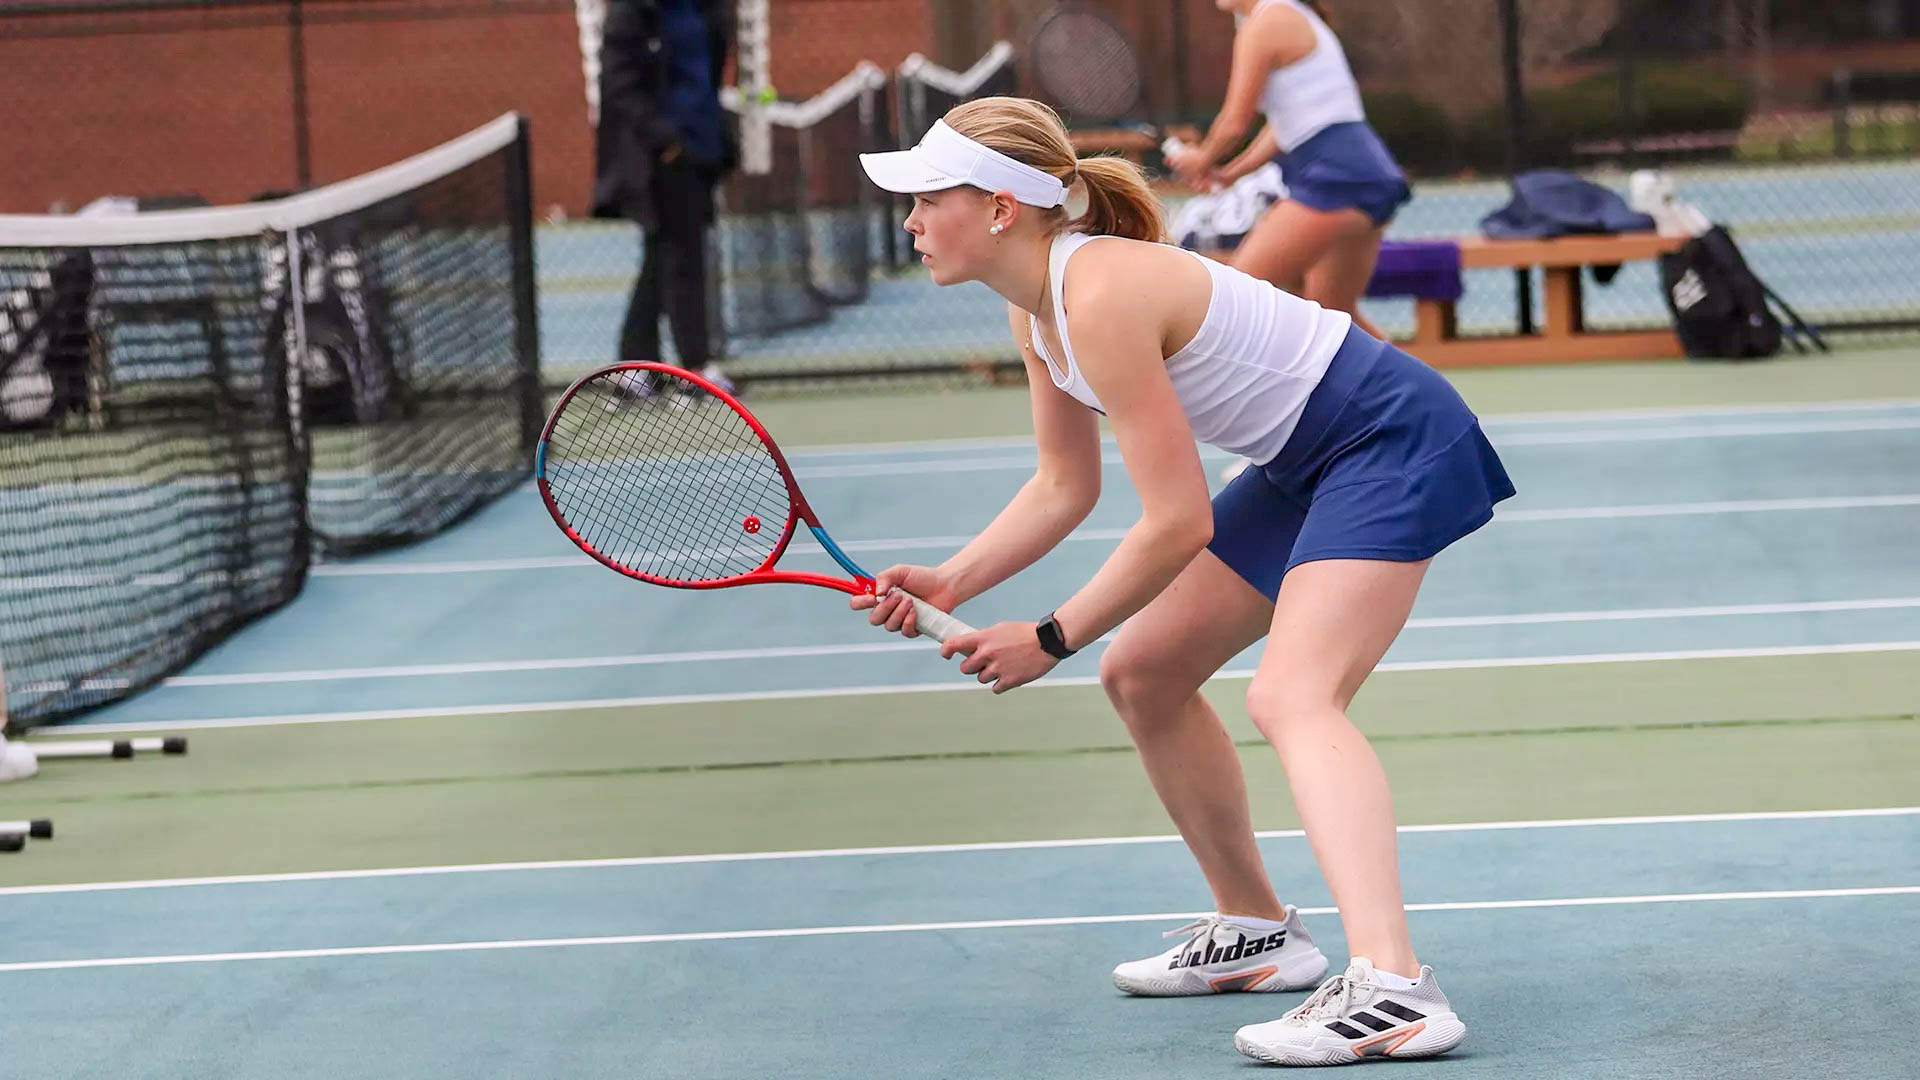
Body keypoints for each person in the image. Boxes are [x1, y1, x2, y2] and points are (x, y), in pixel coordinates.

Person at [853, 97, 1511, 1066]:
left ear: (999, 208)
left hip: (1387, 436)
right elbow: (1062, 486)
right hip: (1305, 460)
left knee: (1294, 694)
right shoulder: (1036, 305)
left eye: (926, 198)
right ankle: (1257, 928)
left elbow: (1178, 521)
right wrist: (951, 578)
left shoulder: (1100, 293)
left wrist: (1045, 637)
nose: (909, 222)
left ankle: (1395, 986)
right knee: (1145, 672)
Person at [1166, 0, 1408, 344]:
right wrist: (1229, 173)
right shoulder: (1288, 15)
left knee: (1234, 297)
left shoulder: (1266, 22)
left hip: (1338, 178)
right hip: (1366, 174)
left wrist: (1201, 158)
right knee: (1335, 316)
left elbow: (1234, 123)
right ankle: (1425, 396)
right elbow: (1283, 128)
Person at [590, 0, 738, 395]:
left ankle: (635, 366)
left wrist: (716, 140)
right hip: (660, 161)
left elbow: (710, 73)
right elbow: (620, 85)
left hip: (703, 150)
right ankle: (695, 368)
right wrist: (665, 139)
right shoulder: (631, 13)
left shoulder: (705, 10)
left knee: (663, 255)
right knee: (683, 256)